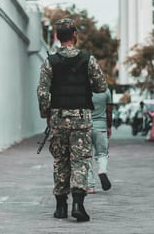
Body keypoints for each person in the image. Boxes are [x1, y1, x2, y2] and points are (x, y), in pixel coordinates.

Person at [37, 18, 107, 222]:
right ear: (74, 34)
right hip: (80, 118)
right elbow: (101, 86)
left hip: (58, 118)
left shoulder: (50, 61)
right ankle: (78, 204)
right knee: (80, 160)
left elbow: (42, 93)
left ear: (57, 37)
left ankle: (60, 207)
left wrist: (47, 116)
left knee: (60, 160)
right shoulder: (88, 59)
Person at [86, 87, 113, 194]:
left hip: (85, 127)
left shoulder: (83, 88)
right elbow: (109, 111)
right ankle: (102, 170)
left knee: (86, 157)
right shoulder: (106, 90)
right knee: (102, 154)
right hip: (101, 127)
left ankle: (90, 186)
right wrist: (109, 126)